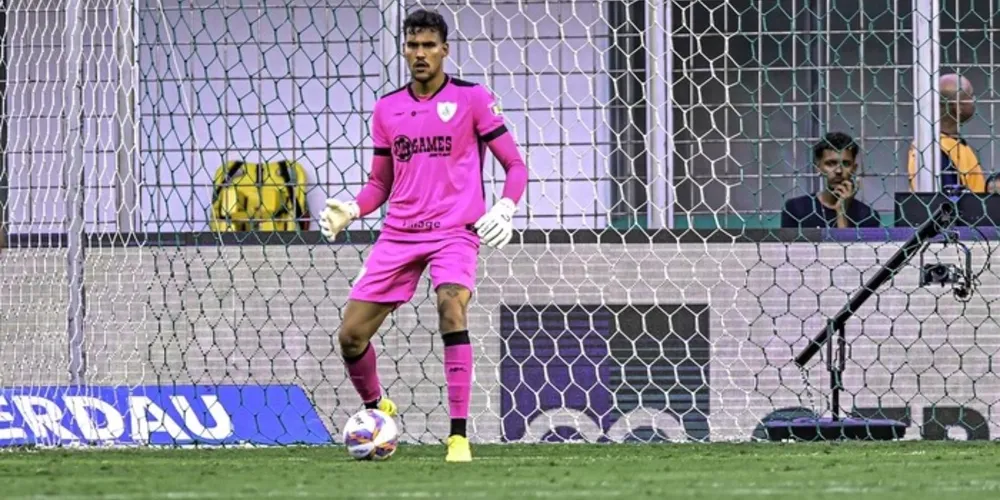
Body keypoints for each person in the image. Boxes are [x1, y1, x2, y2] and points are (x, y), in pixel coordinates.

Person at [318, 9, 528, 463]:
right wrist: (352, 209)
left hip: (455, 231)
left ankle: (458, 437)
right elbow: (380, 184)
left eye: (429, 45)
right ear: (404, 49)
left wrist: (506, 207)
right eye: (413, 45)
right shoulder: (387, 108)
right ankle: (377, 411)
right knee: (351, 337)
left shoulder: (472, 99)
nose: (420, 54)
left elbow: (516, 165)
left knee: (451, 303)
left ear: (444, 50)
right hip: (399, 234)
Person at [782, 132, 880, 229]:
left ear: (854, 168)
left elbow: (846, 245)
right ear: (818, 167)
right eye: (831, 163)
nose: (838, 171)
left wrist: (841, 211)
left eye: (846, 164)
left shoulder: (867, 216)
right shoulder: (795, 209)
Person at [907, 73, 986, 193]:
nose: (974, 100)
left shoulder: (952, 144)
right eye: (970, 96)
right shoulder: (936, 150)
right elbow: (947, 203)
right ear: (957, 107)